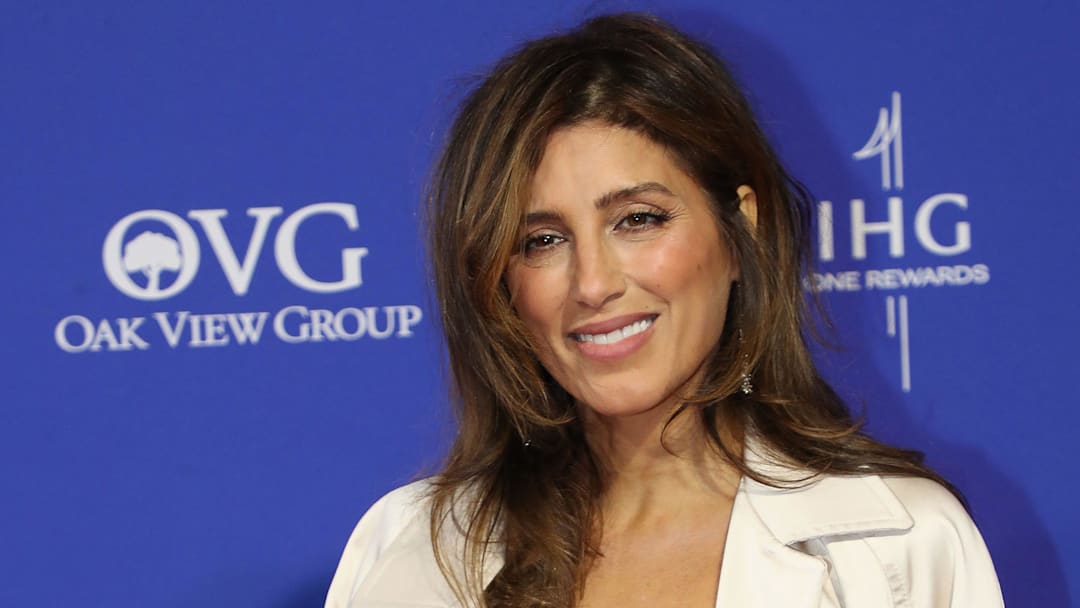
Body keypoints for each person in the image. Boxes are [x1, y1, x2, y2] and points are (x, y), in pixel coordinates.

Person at [326, 12, 1003, 608]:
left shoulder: (899, 548)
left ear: (741, 233)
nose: (593, 284)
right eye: (543, 240)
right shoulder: (413, 555)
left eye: (638, 219)